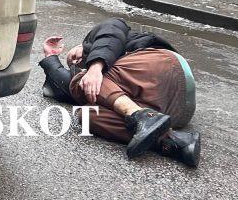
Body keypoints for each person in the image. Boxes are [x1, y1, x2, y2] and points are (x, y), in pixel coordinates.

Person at [38, 17, 201, 166]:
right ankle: (174, 140)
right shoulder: (110, 83)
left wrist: (95, 67)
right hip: (177, 112)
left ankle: (141, 115)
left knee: (84, 80)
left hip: (166, 68)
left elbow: (113, 29)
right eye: (74, 64)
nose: (76, 61)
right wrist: (50, 57)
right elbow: (68, 87)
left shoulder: (101, 37)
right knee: (88, 114)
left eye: (73, 56)